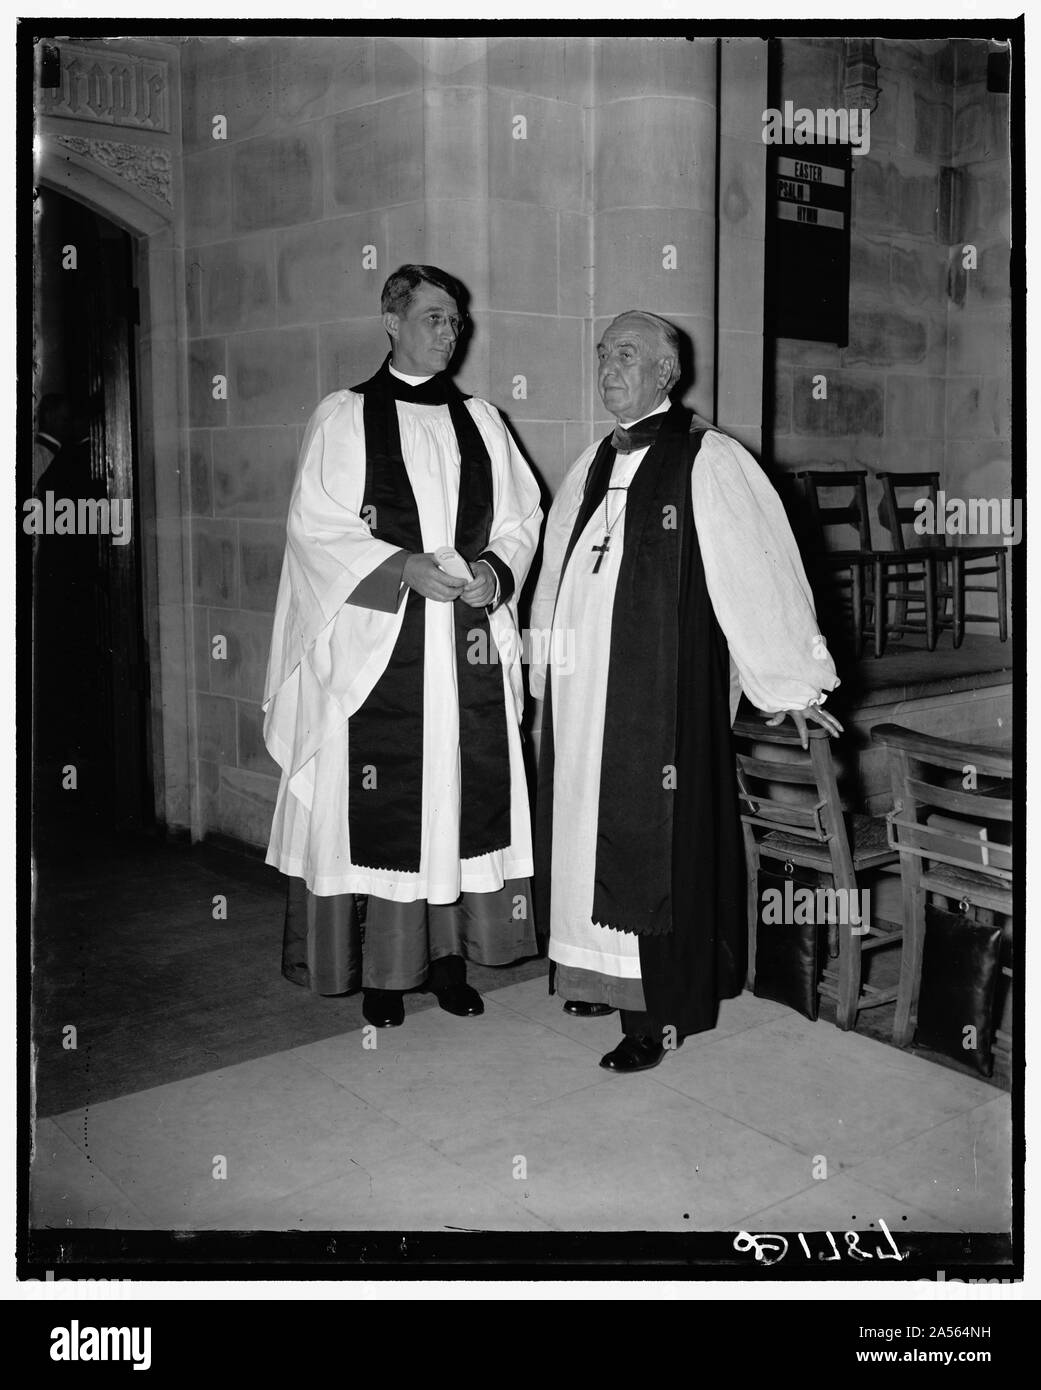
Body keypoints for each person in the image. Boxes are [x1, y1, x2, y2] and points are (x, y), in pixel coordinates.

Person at [530, 310, 842, 1073]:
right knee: (577, 835)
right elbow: (551, 581)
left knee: (645, 845)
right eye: (603, 353)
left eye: (627, 355)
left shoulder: (709, 459)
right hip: (581, 698)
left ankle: (650, 1012)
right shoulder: (590, 462)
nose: (608, 367)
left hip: (656, 705)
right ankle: (591, 973)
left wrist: (790, 682)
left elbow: (755, 570)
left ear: (666, 374)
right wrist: (538, 674)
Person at [263, 265, 543, 1029]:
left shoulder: (482, 420)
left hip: (464, 646)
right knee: (389, 799)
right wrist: (400, 568)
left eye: (455, 321)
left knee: (456, 796)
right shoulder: (345, 416)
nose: (448, 334)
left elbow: (523, 519)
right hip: (378, 647)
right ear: (390, 321)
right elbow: (314, 528)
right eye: (431, 318)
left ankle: (448, 961)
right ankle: (384, 975)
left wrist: (492, 572)